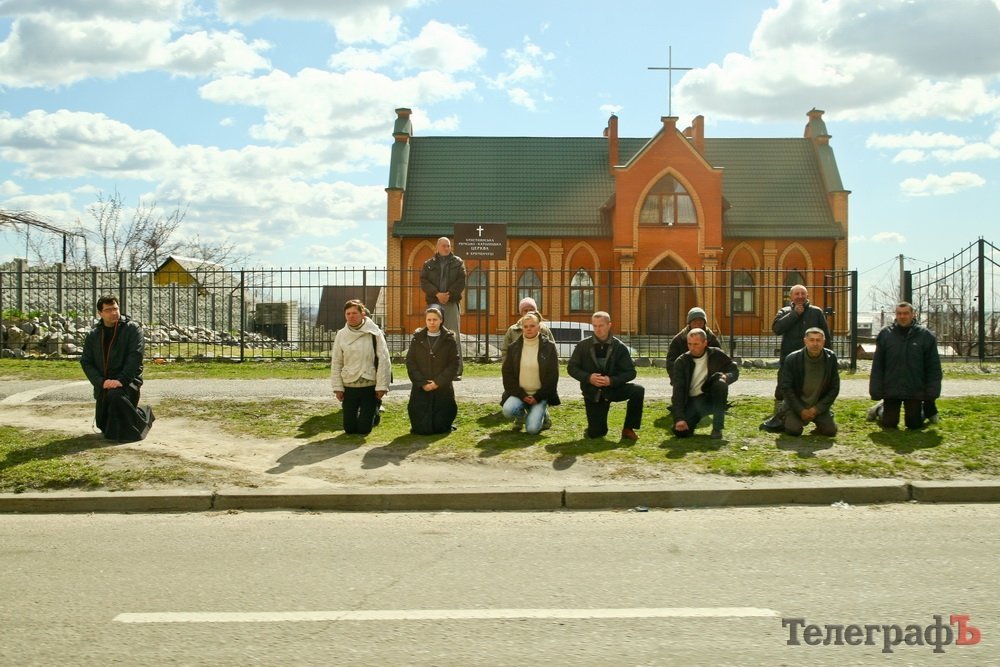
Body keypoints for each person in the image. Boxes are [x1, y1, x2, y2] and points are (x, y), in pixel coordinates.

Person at [761, 284, 832, 431]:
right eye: (797, 294)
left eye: (802, 294)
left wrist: (828, 355)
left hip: (812, 358)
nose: (800, 297)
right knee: (784, 391)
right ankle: (785, 413)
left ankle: (817, 412)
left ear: (807, 296)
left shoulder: (816, 312)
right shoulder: (784, 311)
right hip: (789, 359)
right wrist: (794, 314)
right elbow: (777, 329)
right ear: (791, 297)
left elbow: (825, 335)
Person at [567, 311, 644, 440]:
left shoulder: (619, 347)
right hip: (593, 393)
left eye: (601, 325)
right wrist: (588, 378)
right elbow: (572, 368)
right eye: (595, 326)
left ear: (609, 325)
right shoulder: (582, 346)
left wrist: (611, 380)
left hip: (614, 389)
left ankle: (628, 429)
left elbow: (630, 372)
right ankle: (594, 426)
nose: (598, 329)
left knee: (638, 390)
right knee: (596, 433)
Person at [80, 295, 146, 440]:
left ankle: (135, 428)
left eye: (115, 308)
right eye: (108, 310)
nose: (114, 312)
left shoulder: (132, 329)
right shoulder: (93, 335)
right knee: (103, 425)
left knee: (115, 397)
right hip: (104, 386)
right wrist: (101, 382)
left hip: (128, 382)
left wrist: (121, 380)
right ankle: (141, 413)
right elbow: (86, 362)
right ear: (100, 313)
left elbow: (135, 357)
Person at [869, 301, 942, 430]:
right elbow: (878, 365)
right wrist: (876, 390)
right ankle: (879, 408)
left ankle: (927, 410)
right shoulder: (885, 334)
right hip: (891, 389)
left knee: (914, 425)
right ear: (896, 315)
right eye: (899, 313)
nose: (902, 316)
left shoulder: (925, 336)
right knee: (889, 424)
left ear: (913, 314)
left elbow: (933, 366)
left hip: (915, 389)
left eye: (906, 313)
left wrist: (931, 392)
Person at [330, 299, 391, 435]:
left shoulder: (374, 333)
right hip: (349, 385)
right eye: (348, 314)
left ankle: (374, 413)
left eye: (354, 313)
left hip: (369, 385)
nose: (351, 316)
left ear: (362, 314)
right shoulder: (341, 334)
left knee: (364, 430)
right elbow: (337, 362)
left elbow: (384, 360)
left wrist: (381, 386)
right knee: (349, 429)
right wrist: (338, 388)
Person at [670, 328, 739, 439]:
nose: (692, 348)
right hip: (692, 401)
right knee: (681, 432)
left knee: (720, 384)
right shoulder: (681, 362)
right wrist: (679, 418)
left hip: (710, 397)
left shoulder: (716, 354)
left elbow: (734, 370)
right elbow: (678, 391)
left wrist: (727, 377)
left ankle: (717, 428)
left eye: (696, 344)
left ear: (705, 343)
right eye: (689, 344)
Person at [501, 311, 560, 434]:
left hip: (540, 395)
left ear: (539, 327)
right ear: (522, 328)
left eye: (532, 326)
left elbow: (552, 376)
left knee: (532, 430)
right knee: (507, 411)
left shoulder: (549, 347)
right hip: (520, 394)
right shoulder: (513, 348)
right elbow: (507, 375)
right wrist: (522, 395)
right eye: (526, 326)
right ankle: (521, 415)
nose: (529, 329)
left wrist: (537, 397)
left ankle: (543, 413)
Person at [406, 305, 460, 435]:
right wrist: (422, 383)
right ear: (425, 320)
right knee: (421, 428)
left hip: (442, 387)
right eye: (429, 319)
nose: (432, 323)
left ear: (441, 320)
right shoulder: (417, 338)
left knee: (441, 426)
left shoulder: (449, 339)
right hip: (421, 387)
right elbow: (411, 362)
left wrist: (437, 382)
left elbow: (454, 363)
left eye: (435, 319)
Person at [778, 327, 840, 436]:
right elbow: (786, 388)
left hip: (818, 405)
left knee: (830, 431)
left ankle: (823, 419)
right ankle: (787, 416)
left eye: (818, 340)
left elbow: (834, 388)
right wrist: (801, 410)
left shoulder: (830, 358)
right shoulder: (792, 359)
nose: (815, 344)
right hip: (797, 405)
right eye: (811, 340)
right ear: (805, 341)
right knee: (793, 431)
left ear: (823, 342)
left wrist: (817, 409)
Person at [419, 237, 466, 377]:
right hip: (434, 302)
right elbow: (424, 282)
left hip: (451, 302)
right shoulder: (428, 264)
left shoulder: (458, 262)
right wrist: (437, 294)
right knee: (433, 334)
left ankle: (455, 370)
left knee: (453, 335)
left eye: (448, 246)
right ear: (437, 247)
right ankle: (434, 370)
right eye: (444, 246)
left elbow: (461, 281)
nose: (447, 248)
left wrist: (448, 295)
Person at [666, 306, 722, 385]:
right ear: (689, 323)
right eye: (695, 322)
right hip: (684, 379)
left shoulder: (711, 339)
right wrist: (677, 379)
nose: (698, 324)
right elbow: (671, 362)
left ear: (704, 323)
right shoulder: (679, 339)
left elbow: (719, 360)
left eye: (700, 322)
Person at [500, 297, 552, 361]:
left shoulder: (544, 329)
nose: (528, 312)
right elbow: (505, 351)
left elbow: (552, 349)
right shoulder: (512, 330)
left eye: (531, 310)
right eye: (525, 310)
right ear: (521, 313)